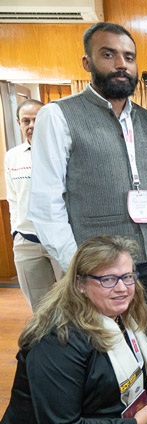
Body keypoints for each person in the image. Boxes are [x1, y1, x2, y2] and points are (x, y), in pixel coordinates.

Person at [28, 22, 147, 379]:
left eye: (128, 57)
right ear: (87, 62)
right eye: (108, 54)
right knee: (108, 353)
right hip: (98, 268)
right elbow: (46, 202)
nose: (121, 65)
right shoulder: (60, 115)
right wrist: (76, 266)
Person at [2, 235, 147, 424]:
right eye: (108, 279)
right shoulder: (58, 341)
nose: (122, 288)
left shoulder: (124, 320)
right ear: (80, 284)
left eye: (127, 277)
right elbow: (60, 422)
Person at [4, 99, 62, 311]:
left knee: (74, 303)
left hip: (60, 240)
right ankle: (47, 344)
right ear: (19, 123)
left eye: (37, 120)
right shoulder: (12, 157)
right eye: (26, 121)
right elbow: (13, 199)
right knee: (40, 308)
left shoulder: (64, 151)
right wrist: (15, 234)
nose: (31, 125)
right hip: (26, 242)